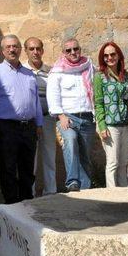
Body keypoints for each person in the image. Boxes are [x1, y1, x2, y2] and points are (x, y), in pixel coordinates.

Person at [0, 35, 43, 204]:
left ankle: (27, 201)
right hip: (6, 127)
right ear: (2, 50)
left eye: (15, 46)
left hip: (29, 127)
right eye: (8, 47)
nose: (12, 49)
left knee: (27, 167)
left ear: (20, 49)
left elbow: (36, 102)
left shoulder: (29, 74)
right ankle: (12, 204)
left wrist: (39, 124)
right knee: (8, 167)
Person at [47, 38, 96, 192]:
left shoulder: (88, 66)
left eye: (76, 49)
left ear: (80, 49)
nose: (73, 52)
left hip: (87, 116)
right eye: (69, 50)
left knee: (85, 155)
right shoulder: (57, 71)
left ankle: (86, 187)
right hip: (68, 117)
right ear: (64, 53)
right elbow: (53, 95)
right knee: (71, 140)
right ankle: (72, 182)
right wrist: (61, 115)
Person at [93, 41, 128, 187]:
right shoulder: (100, 77)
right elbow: (98, 103)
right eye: (106, 55)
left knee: (123, 162)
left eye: (112, 54)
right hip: (110, 125)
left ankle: (124, 192)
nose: (109, 58)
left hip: (125, 124)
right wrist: (102, 126)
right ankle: (112, 196)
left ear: (118, 55)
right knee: (112, 163)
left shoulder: (126, 75)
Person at [24, 37, 56, 196]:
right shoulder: (21, 71)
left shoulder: (51, 72)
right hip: (29, 121)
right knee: (31, 158)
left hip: (48, 118)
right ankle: (30, 193)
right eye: (31, 49)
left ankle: (50, 192)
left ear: (42, 50)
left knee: (49, 155)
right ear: (26, 51)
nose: (35, 52)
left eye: (38, 48)